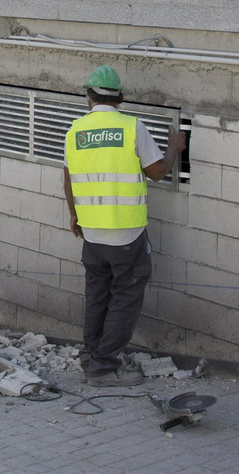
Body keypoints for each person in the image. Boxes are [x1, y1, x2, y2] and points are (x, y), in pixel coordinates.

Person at [61, 65, 186, 385]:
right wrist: (174, 148)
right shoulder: (132, 127)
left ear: (89, 98)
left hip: (91, 232)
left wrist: (74, 215)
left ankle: (91, 356)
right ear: (119, 99)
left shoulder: (75, 130)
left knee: (97, 295)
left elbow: (69, 177)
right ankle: (103, 365)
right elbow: (157, 172)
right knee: (125, 297)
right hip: (127, 234)